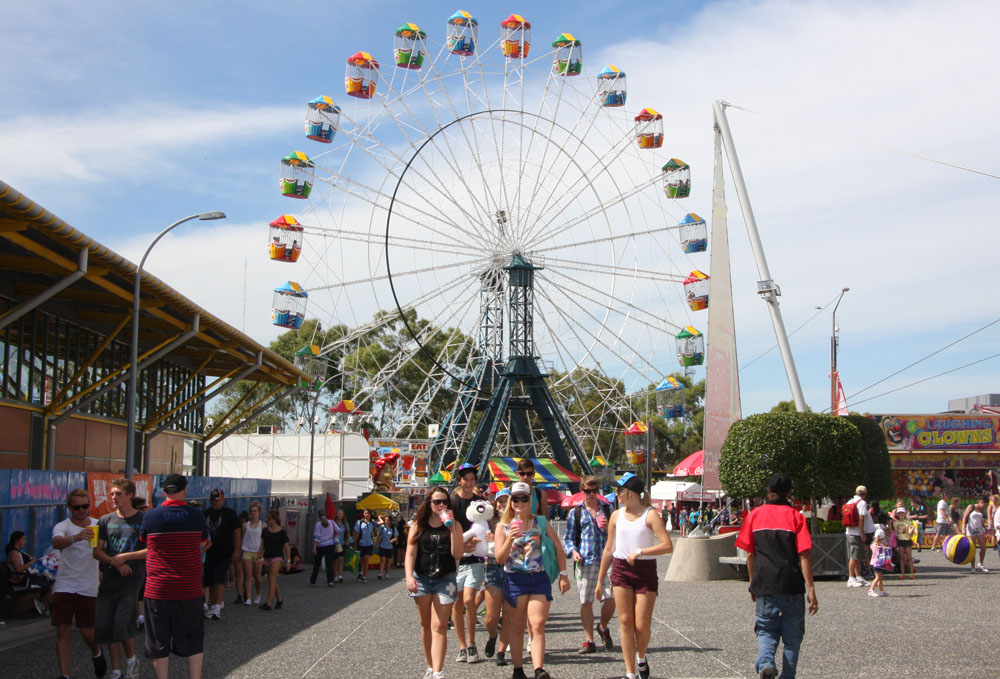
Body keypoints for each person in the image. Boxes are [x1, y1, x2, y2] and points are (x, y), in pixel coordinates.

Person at [734, 473, 818, 679]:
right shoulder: (796, 516)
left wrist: (752, 583)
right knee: (793, 637)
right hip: (792, 585)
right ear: (789, 493)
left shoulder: (754, 515)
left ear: (768, 491)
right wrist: (812, 589)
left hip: (765, 585)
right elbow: (804, 554)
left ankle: (766, 665)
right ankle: (788, 675)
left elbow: (750, 555)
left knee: (765, 631)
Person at [594, 473, 673, 679]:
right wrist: (600, 579)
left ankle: (641, 656)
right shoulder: (616, 516)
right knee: (625, 622)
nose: (616, 494)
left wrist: (641, 551)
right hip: (621, 569)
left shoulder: (650, 514)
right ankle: (630, 673)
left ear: (630, 493)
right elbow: (609, 548)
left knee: (642, 626)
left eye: (619, 490)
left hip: (645, 570)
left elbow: (667, 545)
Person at [494, 481, 571, 679]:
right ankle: (518, 670)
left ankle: (538, 669)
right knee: (517, 626)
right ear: (511, 502)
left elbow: (557, 547)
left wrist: (563, 574)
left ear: (530, 501)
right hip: (514, 580)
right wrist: (510, 538)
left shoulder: (541, 522)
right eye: (516, 499)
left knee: (537, 624)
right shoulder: (502, 527)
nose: (520, 502)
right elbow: (500, 559)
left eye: (524, 498)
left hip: (538, 577)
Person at [139, 473, 210, 679]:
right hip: (189, 587)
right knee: (193, 638)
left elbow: (145, 541)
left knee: (158, 641)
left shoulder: (151, 516)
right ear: (185, 490)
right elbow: (203, 541)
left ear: (163, 491)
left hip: (158, 588)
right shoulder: (197, 515)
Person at [404, 487, 466, 679]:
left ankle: (438, 671)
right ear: (429, 503)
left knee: (439, 626)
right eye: (437, 502)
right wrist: (409, 576)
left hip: (445, 579)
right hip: (422, 578)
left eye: (444, 502)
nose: (441, 505)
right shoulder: (418, 525)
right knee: (425, 624)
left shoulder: (454, 525)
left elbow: (457, 554)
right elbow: (411, 553)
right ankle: (430, 665)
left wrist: (452, 529)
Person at [93, 478, 146, 679]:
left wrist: (126, 557)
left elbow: (152, 550)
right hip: (109, 579)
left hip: (131, 580)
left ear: (130, 495)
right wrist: (114, 561)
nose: (114, 497)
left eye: (118, 494)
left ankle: (131, 660)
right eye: (112, 494)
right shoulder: (105, 520)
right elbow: (96, 551)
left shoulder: (142, 521)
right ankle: (116, 670)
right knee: (106, 627)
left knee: (122, 625)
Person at [50, 488, 106, 679]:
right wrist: (76, 537)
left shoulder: (99, 524)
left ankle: (96, 651)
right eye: (76, 507)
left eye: (85, 506)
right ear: (69, 507)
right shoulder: (63, 526)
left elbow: (108, 546)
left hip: (88, 585)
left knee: (87, 631)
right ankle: (64, 675)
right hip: (65, 585)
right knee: (63, 629)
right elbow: (56, 542)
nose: (81, 511)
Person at [562, 475, 615, 654]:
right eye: (588, 491)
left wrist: (607, 527)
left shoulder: (608, 509)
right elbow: (568, 538)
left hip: (607, 559)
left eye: (594, 491)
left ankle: (603, 626)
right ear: (582, 491)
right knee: (586, 601)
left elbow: (617, 536)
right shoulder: (575, 512)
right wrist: (573, 551)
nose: (592, 494)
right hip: (585, 560)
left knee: (612, 597)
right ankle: (589, 640)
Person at [450, 463, 484, 663]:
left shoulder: (480, 502)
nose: (469, 483)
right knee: (457, 603)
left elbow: (484, 525)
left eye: (472, 480)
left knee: (470, 601)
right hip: (455, 559)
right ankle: (462, 646)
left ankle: (472, 644)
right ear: (460, 481)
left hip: (475, 558)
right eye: (466, 479)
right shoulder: (452, 503)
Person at [202, 488, 240, 621]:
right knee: (209, 579)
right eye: (212, 500)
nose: (214, 502)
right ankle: (213, 604)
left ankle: (217, 606)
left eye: (217, 500)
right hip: (208, 552)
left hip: (224, 551)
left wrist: (236, 550)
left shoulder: (230, 513)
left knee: (219, 578)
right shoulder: (205, 513)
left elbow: (237, 532)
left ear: (223, 499)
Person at [485, 489, 509, 664]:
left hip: (511, 569)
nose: (502, 504)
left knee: (508, 615)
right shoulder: (487, 522)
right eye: (499, 501)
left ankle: (501, 651)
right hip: (493, 567)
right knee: (491, 618)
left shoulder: (517, 521)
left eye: (505, 501)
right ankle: (493, 635)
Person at [5, 529, 52, 615]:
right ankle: (43, 604)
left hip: (26, 578)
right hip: (22, 581)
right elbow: (19, 569)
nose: (25, 542)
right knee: (49, 583)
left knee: (50, 580)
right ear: (17, 541)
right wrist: (32, 562)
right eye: (23, 539)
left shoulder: (20, 552)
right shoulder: (14, 553)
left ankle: (42, 602)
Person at [258, 509, 290, 610]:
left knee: (272, 577)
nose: (267, 520)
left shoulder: (281, 532)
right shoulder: (265, 531)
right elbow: (262, 545)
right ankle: (279, 599)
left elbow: (286, 547)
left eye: (269, 518)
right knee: (271, 579)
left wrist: (288, 561)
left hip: (277, 557)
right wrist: (258, 556)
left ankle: (268, 603)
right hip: (267, 556)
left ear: (274, 519)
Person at [844, 485, 874, 588]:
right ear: (865, 494)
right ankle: (851, 578)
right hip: (856, 533)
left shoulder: (850, 501)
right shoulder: (861, 503)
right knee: (854, 556)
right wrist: (862, 533)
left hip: (849, 531)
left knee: (856, 556)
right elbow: (861, 518)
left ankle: (858, 576)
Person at [241, 502, 264, 605]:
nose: (253, 513)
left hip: (258, 552)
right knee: (248, 575)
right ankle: (248, 597)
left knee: (257, 576)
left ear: (259, 512)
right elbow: (242, 537)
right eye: (252, 511)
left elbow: (264, 540)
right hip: (247, 551)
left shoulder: (263, 525)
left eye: (255, 511)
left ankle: (258, 593)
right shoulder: (245, 525)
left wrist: (262, 553)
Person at [310, 510, 339, 587]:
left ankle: (313, 580)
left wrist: (314, 547)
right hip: (330, 545)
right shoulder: (332, 522)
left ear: (318, 516)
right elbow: (339, 530)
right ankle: (330, 580)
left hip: (320, 546)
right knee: (329, 563)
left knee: (317, 564)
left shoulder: (318, 524)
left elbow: (317, 537)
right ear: (326, 515)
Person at [962, 496, 989, 573]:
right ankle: (973, 567)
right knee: (973, 549)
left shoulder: (981, 509)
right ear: (981, 501)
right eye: (984, 504)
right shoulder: (971, 507)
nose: (984, 506)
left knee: (983, 547)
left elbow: (980, 520)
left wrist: (984, 527)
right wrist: (963, 528)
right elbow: (965, 517)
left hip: (979, 529)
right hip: (971, 530)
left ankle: (981, 563)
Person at [353, 509, 377, 582]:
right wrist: (355, 543)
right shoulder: (359, 522)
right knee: (360, 561)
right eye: (366, 513)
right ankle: (360, 572)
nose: (367, 515)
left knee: (366, 561)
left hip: (369, 543)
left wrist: (378, 517)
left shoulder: (372, 523)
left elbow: (381, 523)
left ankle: (364, 575)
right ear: (363, 514)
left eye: (368, 513)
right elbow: (356, 533)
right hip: (361, 543)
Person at [891, 507, 915, 579]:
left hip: (907, 540)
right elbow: (893, 532)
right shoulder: (895, 523)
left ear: (905, 514)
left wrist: (912, 529)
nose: (901, 514)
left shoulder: (908, 522)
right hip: (900, 540)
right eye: (899, 513)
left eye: (902, 513)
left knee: (909, 557)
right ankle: (903, 573)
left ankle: (911, 573)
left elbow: (911, 532)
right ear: (897, 514)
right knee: (901, 557)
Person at [868, 528, 892, 597]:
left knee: (880, 577)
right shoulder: (875, 545)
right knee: (877, 577)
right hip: (875, 564)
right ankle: (871, 590)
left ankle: (881, 591)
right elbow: (877, 550)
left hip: (878, 564)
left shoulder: (878, 545)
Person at [233, 511, 248, 603]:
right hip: (241, 551)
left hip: (243, 550)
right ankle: (241, 594)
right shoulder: (246, 527)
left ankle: (242, 594)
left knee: (242, 574)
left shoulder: (239, 528)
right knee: (241, 574)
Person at [376, 513, 397, 580]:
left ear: (390, 521)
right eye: (385, 520)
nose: (386, 521)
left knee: (388, 561)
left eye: (387, 520)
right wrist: (377, 544)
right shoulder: (382, 527)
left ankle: (387, 574)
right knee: (382, 559)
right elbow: (379, 536)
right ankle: (380, 573)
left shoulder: (393, 528)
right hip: (382, 545)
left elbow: (396, 537)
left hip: (390, 547)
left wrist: (393, 540)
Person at [332, 509, 349, 583]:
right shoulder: (333, 523)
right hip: (334, 543)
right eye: (339, 513)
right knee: (334, 561)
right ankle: (335, 576)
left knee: (341, 559)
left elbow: (348, 532)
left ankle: (340, 575)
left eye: (341, 514)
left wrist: (348, 539)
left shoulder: (345, 524)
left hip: (342, 543)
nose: (340, 515)